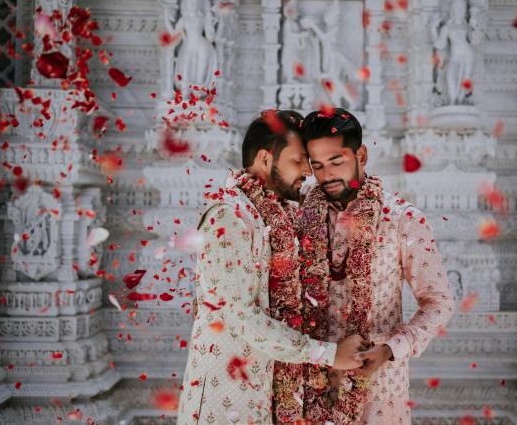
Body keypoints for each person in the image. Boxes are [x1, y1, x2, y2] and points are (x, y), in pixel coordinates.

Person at [177, 110, 368, 425]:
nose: (307, 171)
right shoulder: (229, 217)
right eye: (297, 161)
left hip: (268, 398)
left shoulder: (276, 217)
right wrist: (330, 355)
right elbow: (243, 318)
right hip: (225, 403)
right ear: (265, 159)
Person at [294, 107, 456, 424]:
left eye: (337, 161)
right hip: (311, 384)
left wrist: (391, 349)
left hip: (380, 389)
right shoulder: (300, 217)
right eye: (318, 166)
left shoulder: (401, 219)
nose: (326, 175)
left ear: (361, 155)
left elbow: (439, 302)